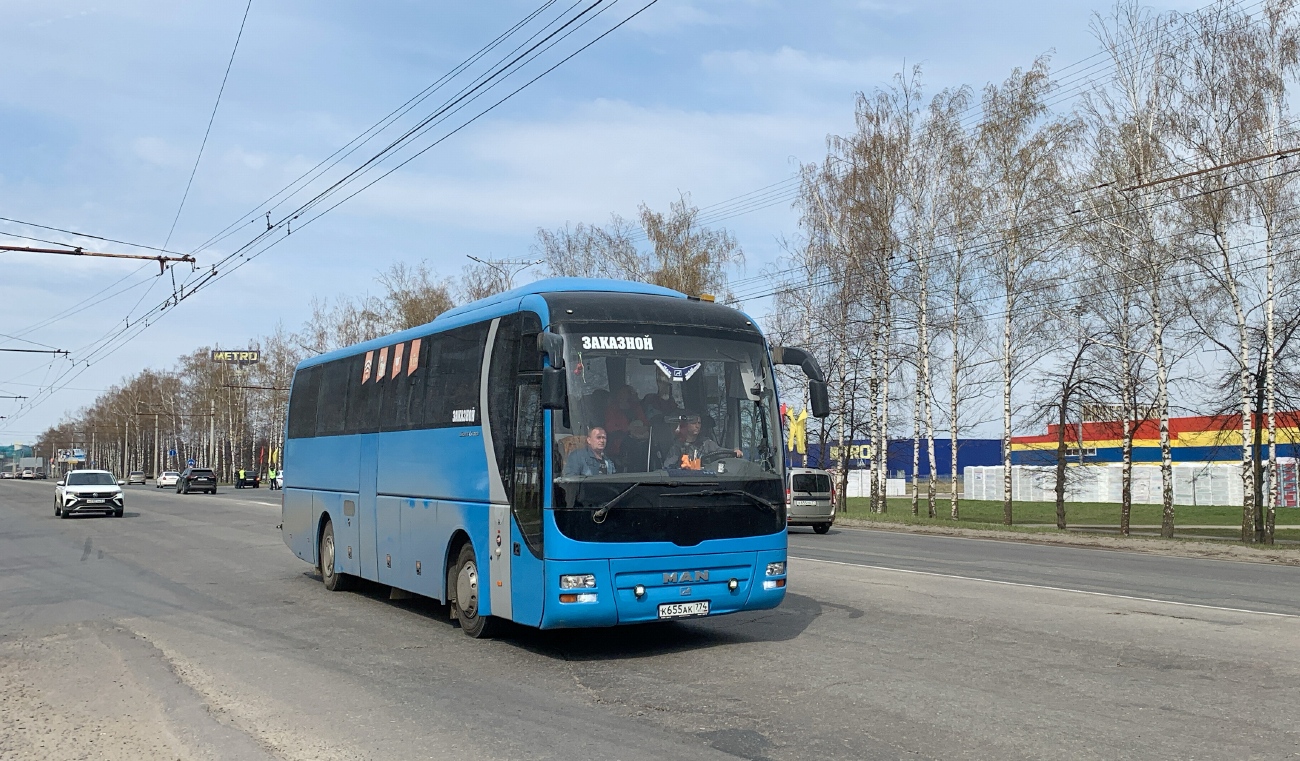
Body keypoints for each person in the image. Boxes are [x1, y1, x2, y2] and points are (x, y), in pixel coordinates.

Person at [663, 412, 742, 471]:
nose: (697, 426)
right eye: (694, 423)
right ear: (685, 425)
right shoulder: (677, 446)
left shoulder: (706, 443)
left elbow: (720, 452)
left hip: (704, 481)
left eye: (699, 423)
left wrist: (733, 452)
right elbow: (668, 468)